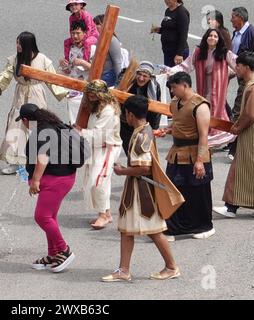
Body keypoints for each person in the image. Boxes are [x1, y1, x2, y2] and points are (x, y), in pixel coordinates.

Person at [101, 95, 180, 282]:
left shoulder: (141, 135)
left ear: (129, 114)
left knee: (153, 230)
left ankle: (171, 267)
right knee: (127, 230)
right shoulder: (145, 130)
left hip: (142, 191)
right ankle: (124, 270)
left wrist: (122, 171)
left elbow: (144, 167)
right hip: (137, 189)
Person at [213, 52, 254, 219]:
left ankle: (240, 207)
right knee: (250, 171)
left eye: (238, 65)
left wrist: (237, 128)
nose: (236, 68)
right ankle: (238, 207)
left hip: (253, 137)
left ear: (246, 67)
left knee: (248, 171)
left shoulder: (253, 87)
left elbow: (250, 114)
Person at [0, 31, 67, 175]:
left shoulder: (43, 59)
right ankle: (15, 162)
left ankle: (37, 163)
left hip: (36, 94)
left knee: (35, 128)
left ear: (27, 45)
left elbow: (52, 78)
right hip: (20, 95)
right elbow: (6, 74)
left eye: (19, 43)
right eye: (17, 42)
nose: (17, 45)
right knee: (16, 126)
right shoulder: (15, 59)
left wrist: (63, 92)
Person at [18, 104, 77, 273]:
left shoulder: (41, 132)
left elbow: (43, 157)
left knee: (42, 217)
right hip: (64, 176)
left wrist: (35, 180)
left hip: (55, 179)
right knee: (50, 217)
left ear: (25, 120)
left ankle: (63, 249)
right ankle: (53, 254)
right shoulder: (53, 125)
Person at [159, 72, 215, 241]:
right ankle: (176, 227)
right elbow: (179, 124)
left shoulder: (201, 105)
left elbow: (203, 135)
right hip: (176, 152)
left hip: (195, 153)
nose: (172, 91)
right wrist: (168, 130)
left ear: (184, 85)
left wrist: (199, 161)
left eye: (174, 87)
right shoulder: (174, 103)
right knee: (174, 189)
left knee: (198, 191)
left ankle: (205, 225)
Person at [167, 28, 237, 148]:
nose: (212, 38)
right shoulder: (198, 52)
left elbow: (238, 65)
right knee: (205, 106)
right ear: (206, 37)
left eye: (215, 36)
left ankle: (213, 136)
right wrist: (171, 70)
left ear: (219, 40)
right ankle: (204, 135)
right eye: (210, 36)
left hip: (217, 87)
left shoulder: (224, 53)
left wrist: (245, 72)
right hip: (204, 84)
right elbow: (186, 66)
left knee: (215, 107)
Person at [76, 80, 122, 229]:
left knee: (98, 180)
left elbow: (99, 134)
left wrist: (80, 132)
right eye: (89, 94)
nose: (90, 97)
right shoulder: (95, 107)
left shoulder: (108, 110)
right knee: (93, 180)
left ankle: (103, 215)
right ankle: (106, 214)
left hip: (108, 147)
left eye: (94, 94)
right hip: (96, 147)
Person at [228, 7, 254, 159]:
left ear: (240, 17)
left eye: (233, 17)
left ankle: (233, 143)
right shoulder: (236, 33)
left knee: (240, 106)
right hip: (239, 73)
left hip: (246, 76)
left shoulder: (250, 32)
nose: (231, 20)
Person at [121, 61, 162, 155]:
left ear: (150, 77)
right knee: (130, 151)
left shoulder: (154, 87)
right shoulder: (128, 83)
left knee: (143, 152)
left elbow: (157, 109)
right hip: (127, 124)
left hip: (144, 125)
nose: (141, 78)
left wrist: (154, 128)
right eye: (139, 74)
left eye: (145, 76)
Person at [59, 20, 90, 125]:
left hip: (86, 89)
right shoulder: (70, 47)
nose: (75, 36)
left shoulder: (92, 48)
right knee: (73, 120)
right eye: (73, 33)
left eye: (78, 33)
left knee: (85, 121)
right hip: (73, 89)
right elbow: (67, 70)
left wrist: (82, 62)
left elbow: (98, 68)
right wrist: (63, 63)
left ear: (85, 33)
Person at [151, 0, 190, 67]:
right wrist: (159, 30)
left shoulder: (182, 12)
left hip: (177, 52)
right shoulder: (168, 10)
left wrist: (179, 54)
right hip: (168, 51)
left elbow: (183, 34)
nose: (166, 1)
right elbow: (169, 28)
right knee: (168, 75)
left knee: (177, 76)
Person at [92, 14, 123, 87]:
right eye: (94, 24)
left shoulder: (112, 40)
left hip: (108, 76)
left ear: (105, 25)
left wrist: (120, 81)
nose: (95, 26)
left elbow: (117, 61)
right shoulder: (99, 38)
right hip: (98, 74)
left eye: (98, 24)